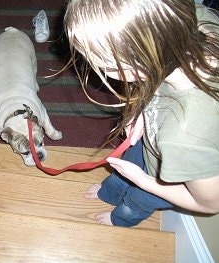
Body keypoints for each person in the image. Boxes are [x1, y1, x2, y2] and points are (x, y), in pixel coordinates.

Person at [64, 0, 219, 227]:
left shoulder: (186, 137)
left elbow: (210, 204)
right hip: (151, 142)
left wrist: (143, 181)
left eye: (104, 65)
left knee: (135, 202)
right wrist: (143, 110)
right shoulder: (189, 20)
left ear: (138, 64)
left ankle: (120, 219)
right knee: (123, 170)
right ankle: (109, 193)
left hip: (162, 181)